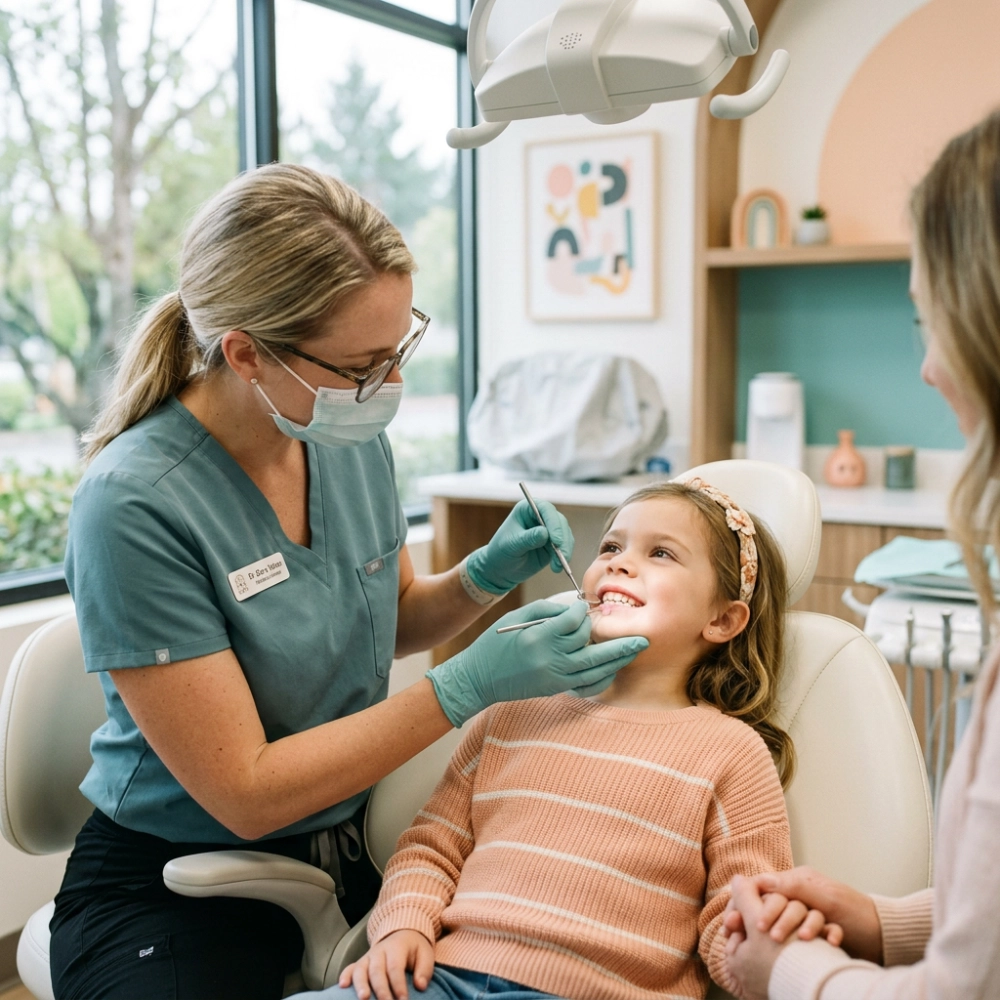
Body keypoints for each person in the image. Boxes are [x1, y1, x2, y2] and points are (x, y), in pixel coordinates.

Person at [49, 163, 649, 1000]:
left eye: (398, 350)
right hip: (174, 879)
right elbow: (247, 794)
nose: (390, 388)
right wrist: (466, 685)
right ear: (247, 354)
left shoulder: (345, 435)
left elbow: (390, 618)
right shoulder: (135, 504)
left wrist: (481, 576)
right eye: (363, 364)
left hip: (357, 841)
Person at [302, 478, 817, 1000]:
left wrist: (768, 948)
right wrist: (403, 926)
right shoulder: (513, 712)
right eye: (611, 547)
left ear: (723, 619)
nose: (618, 562)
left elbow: (740, 916)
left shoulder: (730, 753)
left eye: (661, 553)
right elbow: (431, 850)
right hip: (438, 981)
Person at [721, 108, 1000, 999]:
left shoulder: (723, 754)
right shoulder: (530, 716)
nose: (925, 368)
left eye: (930, 323)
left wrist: (790, 969)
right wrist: (883, 922)